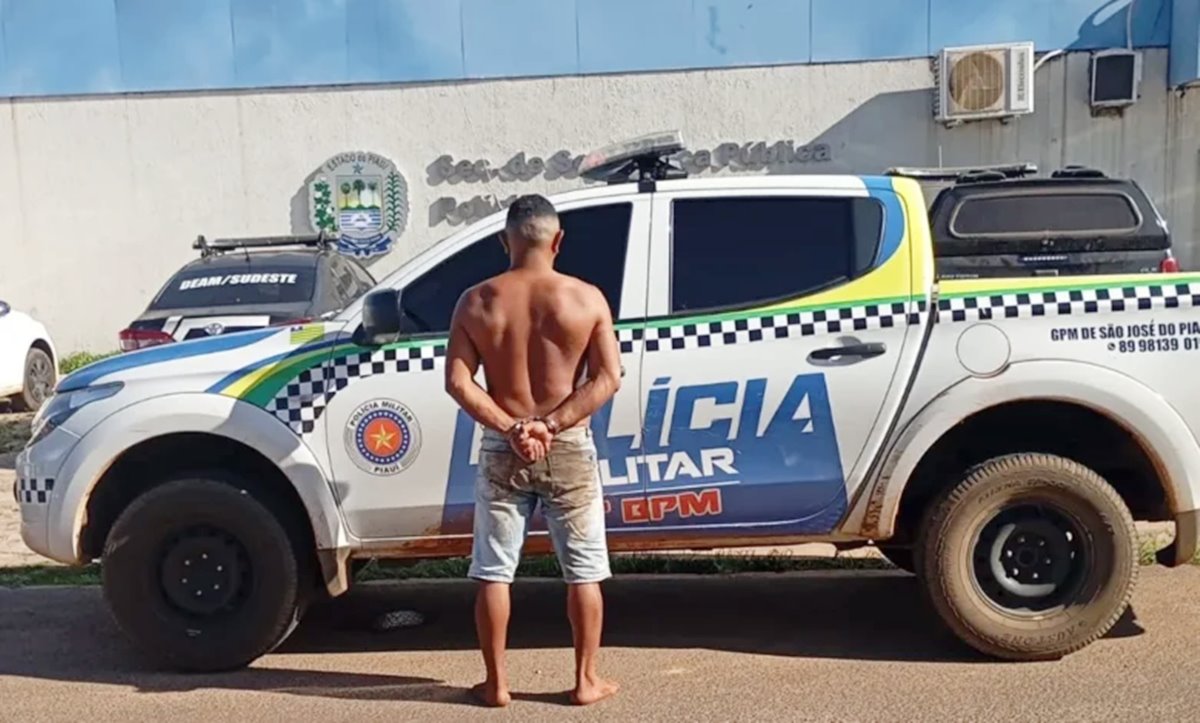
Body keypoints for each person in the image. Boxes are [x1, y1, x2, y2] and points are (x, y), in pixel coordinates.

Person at [444, 194, 622, 708]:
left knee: (494, 569)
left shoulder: (475, 301)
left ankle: (496, 684)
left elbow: (458, 382)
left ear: (506, 241)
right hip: (568, 443)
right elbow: (608, 377)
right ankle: (585, 681)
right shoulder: (586, 298)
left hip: (505, 446)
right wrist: (550, 424)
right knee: (584, 570)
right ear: (557, 240)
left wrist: (513, 427)